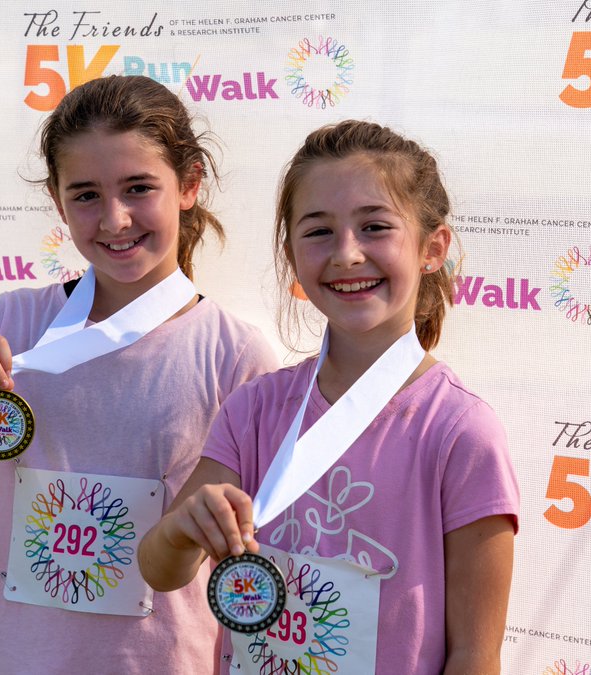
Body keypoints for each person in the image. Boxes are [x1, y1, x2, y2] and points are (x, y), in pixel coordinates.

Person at [0, 75, 279, 675]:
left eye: (139, 188)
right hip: (11, 658)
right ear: (57, 200)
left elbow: (259, 549)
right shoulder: (15, 322)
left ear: (190, 183)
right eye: (86, 195)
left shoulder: (237, 355)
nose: (115, 218)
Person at [139, 120, 519, 674]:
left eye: (374, 227)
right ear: (291, 253)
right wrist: (181, 527)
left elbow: (475, 656)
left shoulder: (459, 431)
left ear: (433, 247)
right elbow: (160, 569)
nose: (345, 254)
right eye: (318, 231)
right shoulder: (255, 410)